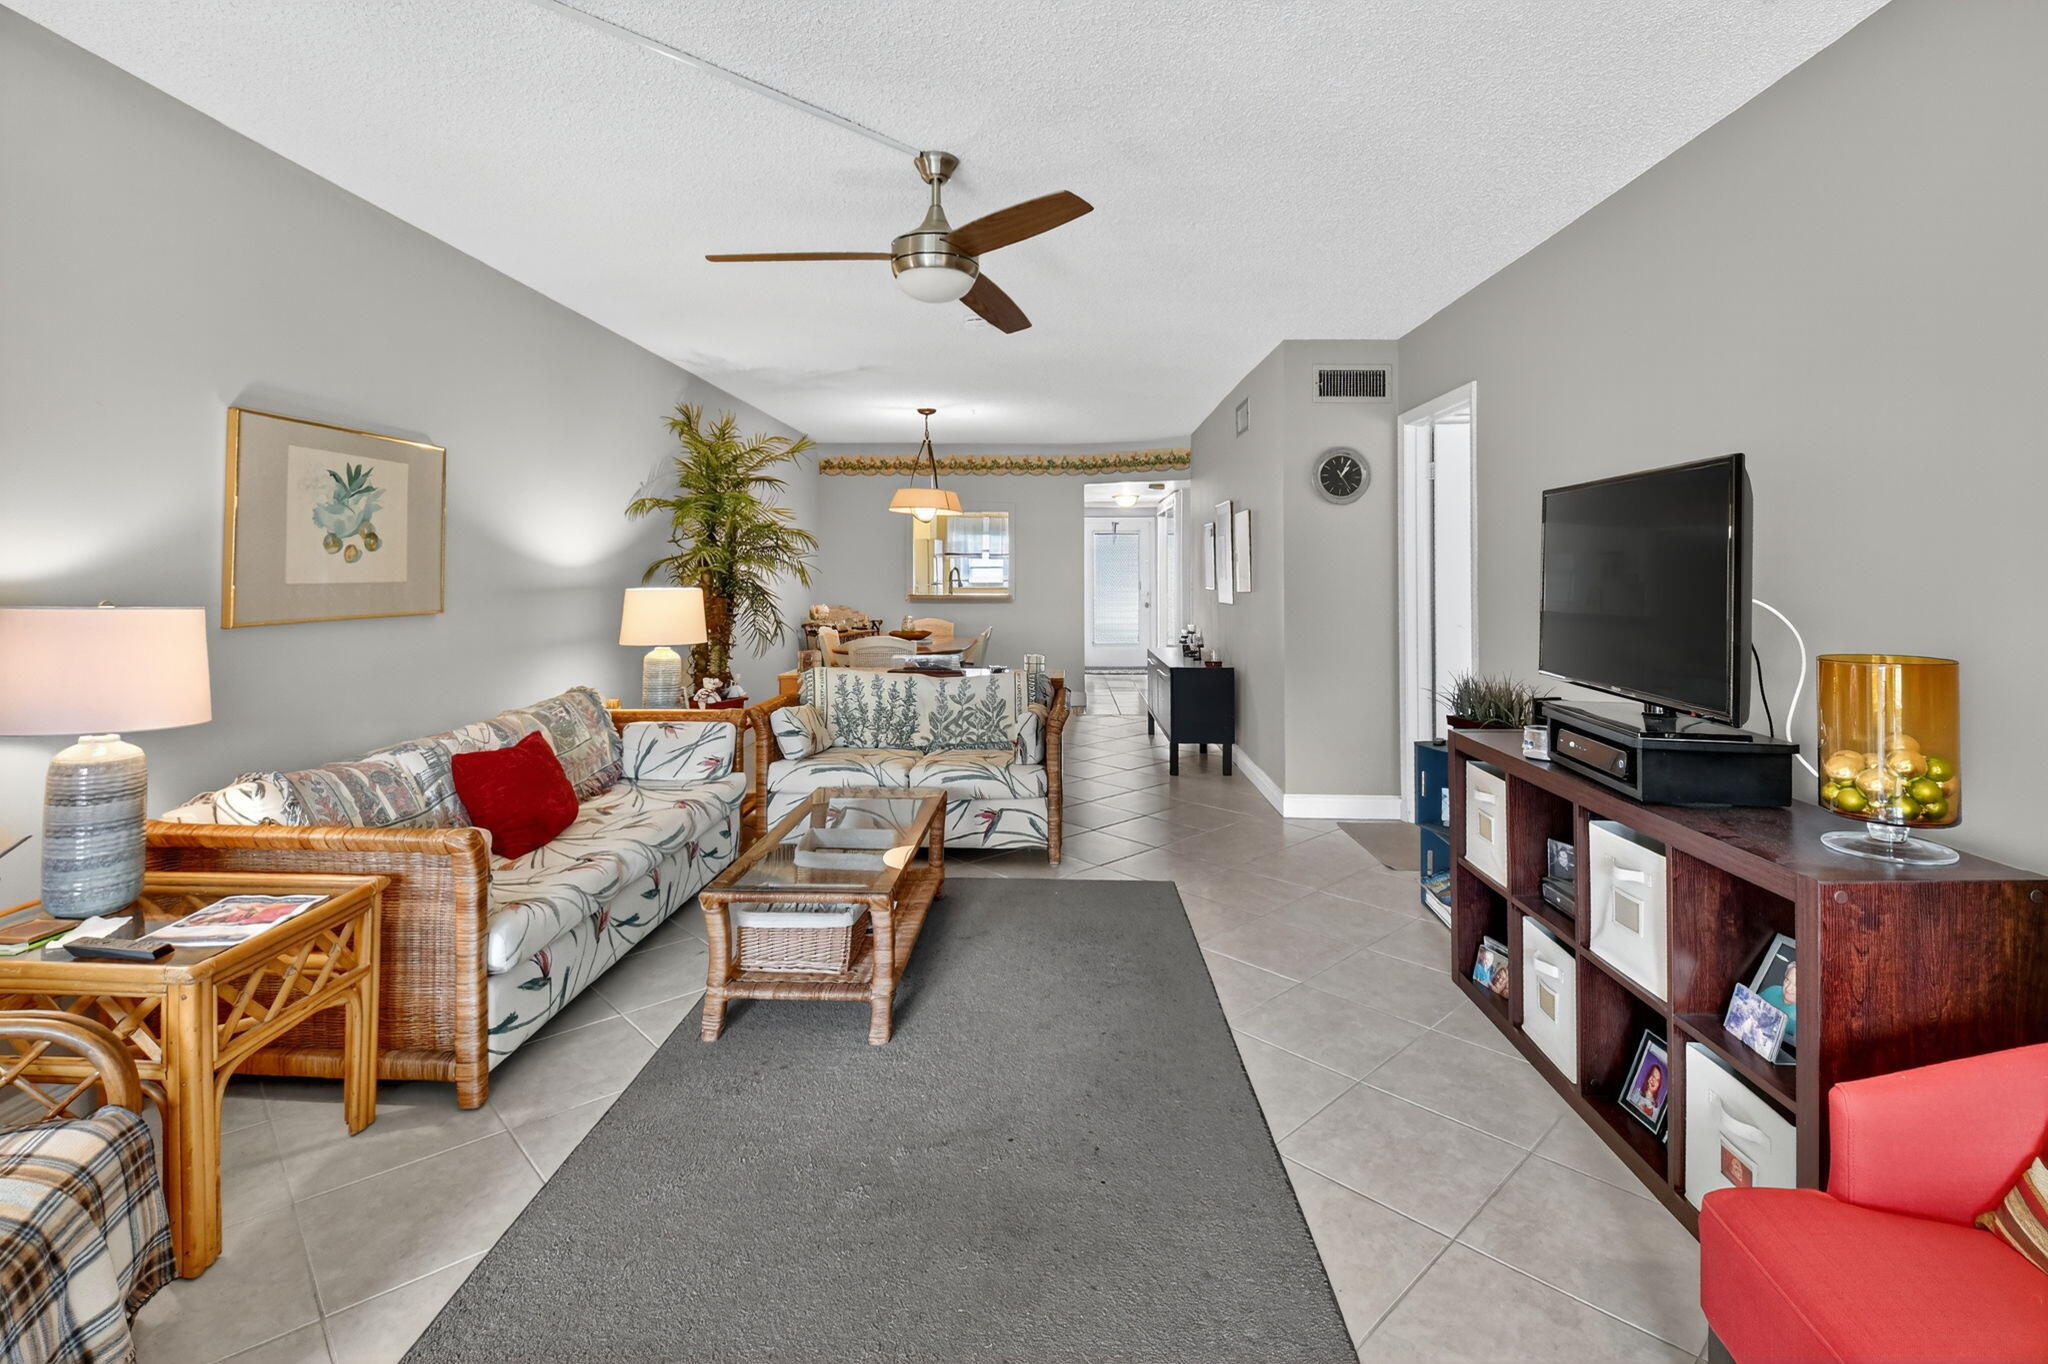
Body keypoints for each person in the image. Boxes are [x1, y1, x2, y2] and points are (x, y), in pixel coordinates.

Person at [1761, 961, 1798, 1045]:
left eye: (1796, 985)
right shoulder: (1772, 991)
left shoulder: (1806, 1018)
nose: (1788, 989)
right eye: (1787, 980)